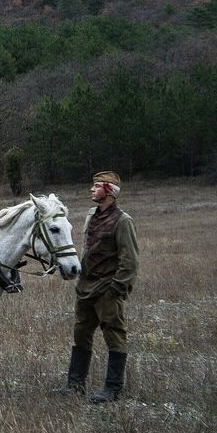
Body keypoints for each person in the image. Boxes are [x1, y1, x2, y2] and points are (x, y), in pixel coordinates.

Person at [60, 171, 139, 403]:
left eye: (96, 186)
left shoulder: (123, 221)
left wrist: (116, 289)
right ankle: (75, 385)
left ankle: (113, 389)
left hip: (107, 289)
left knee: (114, 335)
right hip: (85, 287)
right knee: (81, 334)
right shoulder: (91, 216)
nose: (91, 190)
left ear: (110, 192)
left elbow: (130, 261)